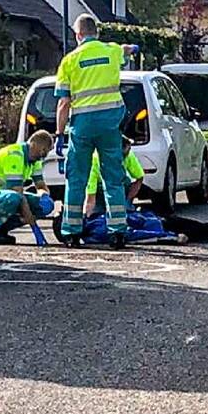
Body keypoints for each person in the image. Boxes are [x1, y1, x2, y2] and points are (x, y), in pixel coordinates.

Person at [54, 14, 138, 248]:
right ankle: (118, 231)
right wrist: (134, 48)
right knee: (113, 177)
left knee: (77, 178)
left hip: (81, 127)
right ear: (97, 32)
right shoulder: (111, 51)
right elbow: (127, 49)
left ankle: (71, 231)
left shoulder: (69, 61)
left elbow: (63, 103)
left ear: (78, 34)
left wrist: (60, 135)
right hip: (110, 125)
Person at [0, 131, 55, 246]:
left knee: (46, 205)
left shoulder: (34, 161)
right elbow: (17, 193)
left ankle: (1, 230)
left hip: (3, 197)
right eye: (43, 150)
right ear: (34, 144)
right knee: (13, 198)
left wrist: (44, 195)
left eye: (47, 151)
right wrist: (32, 224)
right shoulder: (15, 155)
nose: (44, 154)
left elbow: (40, 185)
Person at [84, 136, 145, 217]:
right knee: (96, 215)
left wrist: (128, 200)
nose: (124, 158)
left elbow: (139, 177)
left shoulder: (127, 155)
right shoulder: (95, 161)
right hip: (100, 192)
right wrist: (87, 216)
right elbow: (90, 197)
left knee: (126, 182)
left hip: (119, 188)